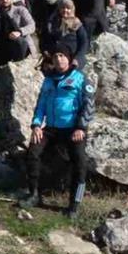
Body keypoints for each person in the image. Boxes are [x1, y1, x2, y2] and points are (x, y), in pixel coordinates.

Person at [20, 43, 95, 218]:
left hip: (73, 129)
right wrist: (36, 125)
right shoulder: (48, 79)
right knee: (33, 152)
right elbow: (41, 104)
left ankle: (74, 204)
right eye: (55, 56)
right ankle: (34, 194)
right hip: (51, 128)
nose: (58, 59)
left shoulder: (80, 78)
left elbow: (89, 106)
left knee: (80, 162)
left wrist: (81, 127)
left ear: (69, 58)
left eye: (62, 55)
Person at [43, 0, 90, 72]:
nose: (65, 10)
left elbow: (84, 42)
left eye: (68, 8)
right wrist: (46, 52)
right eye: (63, 8)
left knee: (73, 71)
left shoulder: (76, 23)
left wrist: (78, 58)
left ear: (72, 10)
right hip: (56, 57)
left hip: (73, 56)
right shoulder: (52, 23)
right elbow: (45, 39)